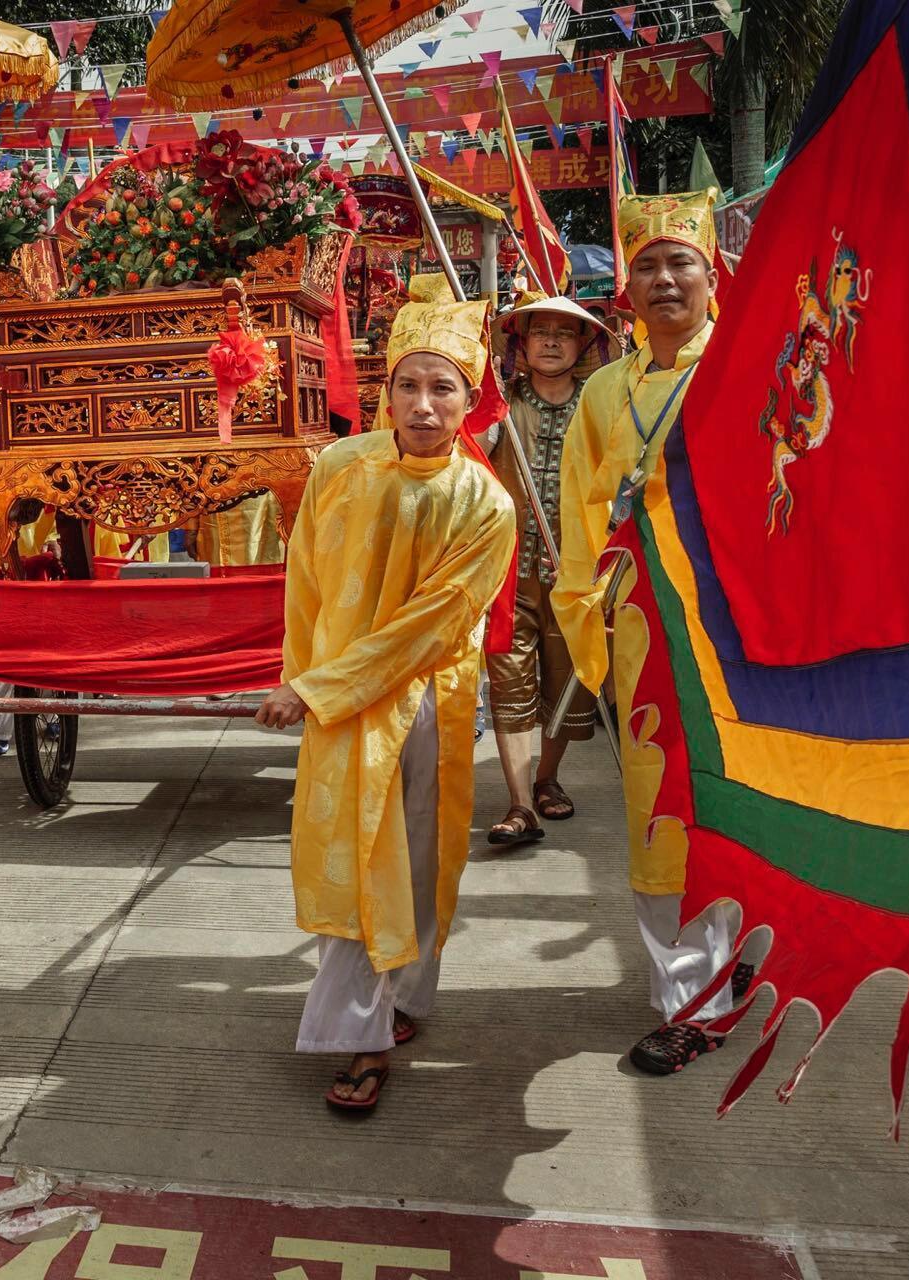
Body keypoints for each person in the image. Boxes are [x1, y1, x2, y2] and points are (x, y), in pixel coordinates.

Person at [257, 290, 515, 1114]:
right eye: (410, 386)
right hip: (338, 703)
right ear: (386, 391)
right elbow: (306, 591)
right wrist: (301, 674)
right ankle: (358, 1033)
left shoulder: (487, 505)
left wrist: (317, 688)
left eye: (444, 388)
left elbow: (433, 626)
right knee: (359, 866)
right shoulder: (338, 468)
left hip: (425, 702)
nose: (424, 406)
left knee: (418, 864)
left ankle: (401, 1002)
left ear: (470, 400)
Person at [552, 189, 749, 1076]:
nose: (664, 279)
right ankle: (694, 1002)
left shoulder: (747, 365)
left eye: (682, 262)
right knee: (660, 814)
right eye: (646, 264)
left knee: (738, 802)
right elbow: (577, 522)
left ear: (714, 276)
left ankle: (727, 954)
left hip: (738, 632)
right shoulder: (600, 393)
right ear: (623, 286)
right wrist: (588, 627)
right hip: (642, 630)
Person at [482, 296, 609, 846]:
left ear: (583, 346)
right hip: (509, 574)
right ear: (522, 343)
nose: (552, 341)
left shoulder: (599, 405)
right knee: (509, 684)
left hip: (577, 573)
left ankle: (546, 779)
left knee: (565, 682)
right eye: (541, 332)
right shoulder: (500, 405)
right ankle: (517, 804)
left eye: (565, 332)